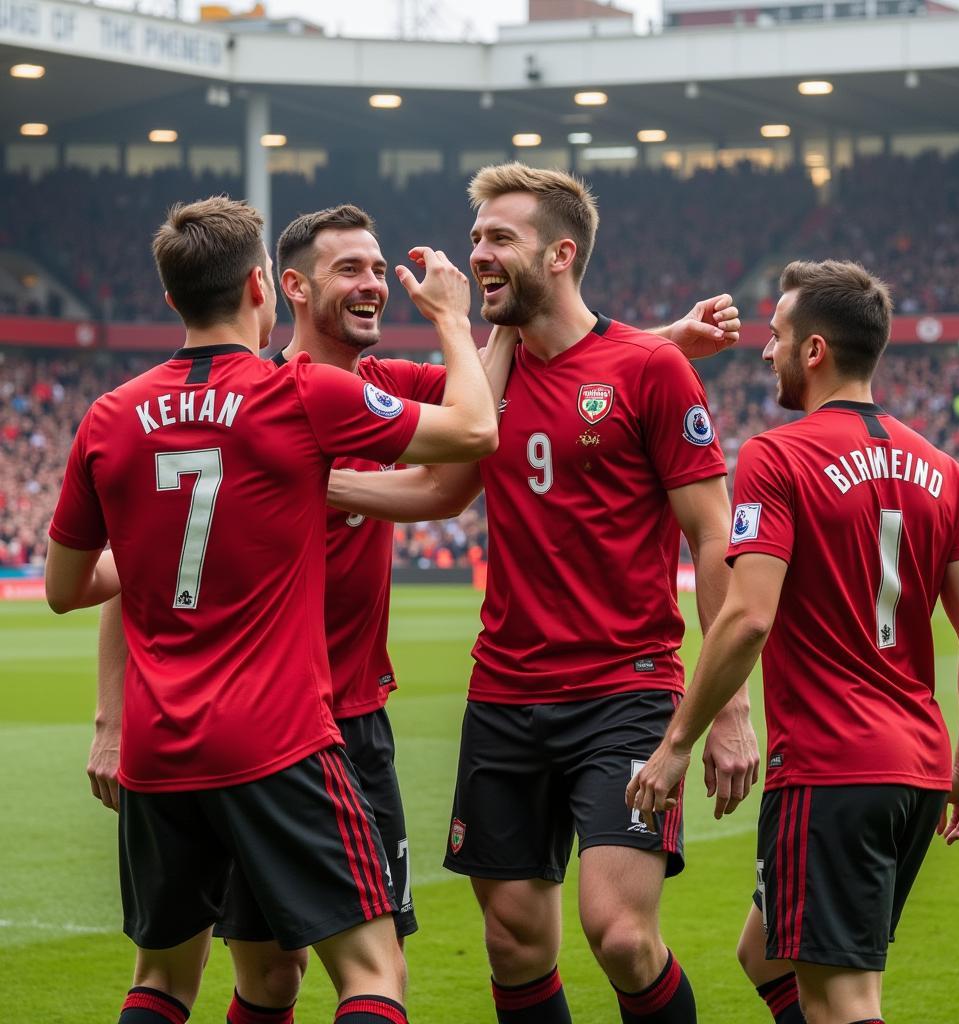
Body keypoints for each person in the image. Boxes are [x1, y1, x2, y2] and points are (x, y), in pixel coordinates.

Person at [84, 201, 739, 1022]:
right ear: (281, 286)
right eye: (348, 270)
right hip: (283, 725)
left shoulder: (385, 389)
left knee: (278, 972)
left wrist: (659, 344)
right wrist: (110, 716)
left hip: (347, 720)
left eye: (376, 266)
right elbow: (136, 579)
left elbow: (539, 379)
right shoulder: (275, 400)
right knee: (298, 976)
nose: (373, 284)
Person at [46, 195, 498, 1024]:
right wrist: (453, 317)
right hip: (278, 735)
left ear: (172, 297)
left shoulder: (106, 419)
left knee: (162, 982)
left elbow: (64, 590)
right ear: (264, 287)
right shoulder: (297, 395)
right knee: (372, 973)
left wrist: (151, 556)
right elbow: (474, 431)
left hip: (159, 752)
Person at [328, 162, 760, 1024]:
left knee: (621, 934)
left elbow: (714, 537)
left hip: (626, 692)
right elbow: (443, 474)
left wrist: (732, 709)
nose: (478, 254)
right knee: (514, 942)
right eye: (476, 237)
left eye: (500, 239)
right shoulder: (483, 380)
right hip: (504, 694)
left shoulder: (651, 370)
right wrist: (317, 477)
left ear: (561, 254)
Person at [628, 260, 959, 1024]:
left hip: (833, 767)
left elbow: (746, 616)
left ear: (814, 351)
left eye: (775, 337)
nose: (764, 352)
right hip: (918, 767)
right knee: (765, 953)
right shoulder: (947, 472)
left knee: (843, 999)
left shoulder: (779, 455)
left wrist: (676, 744)